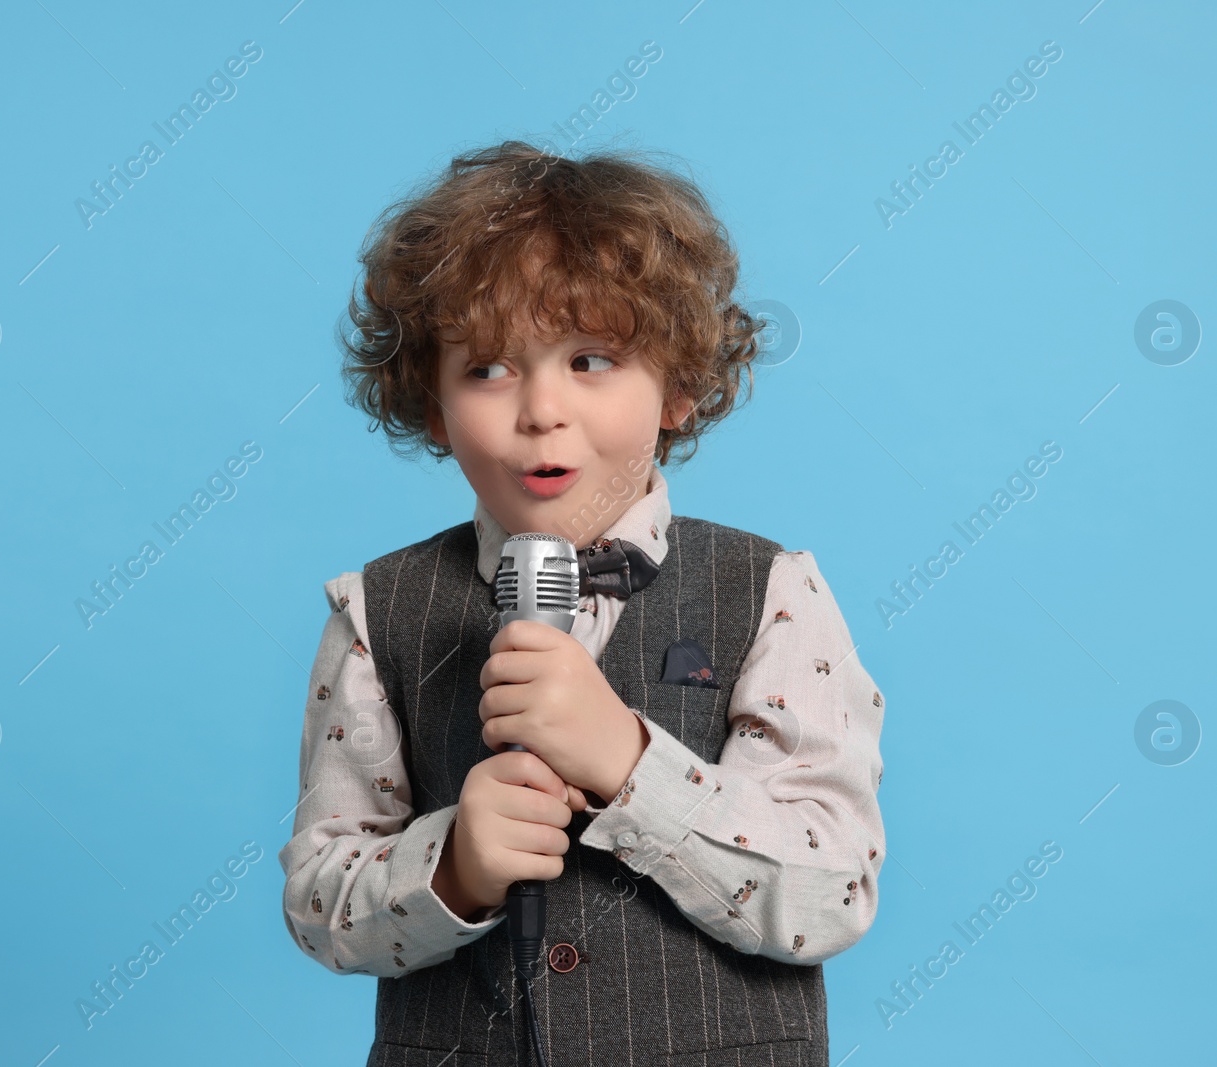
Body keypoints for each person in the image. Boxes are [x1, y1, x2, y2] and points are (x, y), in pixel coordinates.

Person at [278, 139, 886, 1066]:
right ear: (432, 408)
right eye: (487, 368)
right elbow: (323, 904)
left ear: (679, 384)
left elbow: (829, 888)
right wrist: (453, 865)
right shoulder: (376, 610)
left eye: (592, 359)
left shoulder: (772, 590)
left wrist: (631, 763)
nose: (541, 409)